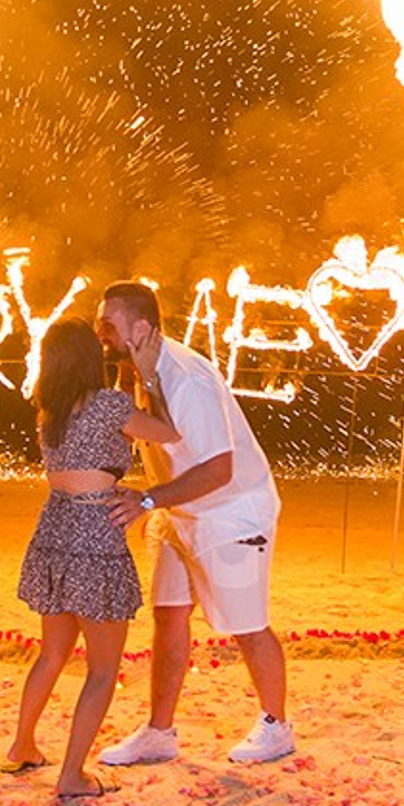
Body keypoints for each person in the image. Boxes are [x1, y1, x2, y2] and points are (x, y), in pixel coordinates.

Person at [93, 280, 294, 769]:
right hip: (176, 511)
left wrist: (147, 500)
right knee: (168, 615)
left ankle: (277, 726)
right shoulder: (138, 371)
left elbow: (218, 468)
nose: (100, 334)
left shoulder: (188, 378)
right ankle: (159, 732)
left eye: (108, 325)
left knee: (246, 626)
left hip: (231, 510)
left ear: (141, 328)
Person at [5, 317, 181, 799]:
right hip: (94, 540)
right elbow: (167, 432)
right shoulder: (106, 406)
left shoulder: (51, 412)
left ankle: (23, 744)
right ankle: (71, 776)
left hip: (54, 532)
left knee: (53, 652)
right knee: (102, 670)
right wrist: (148, 377)